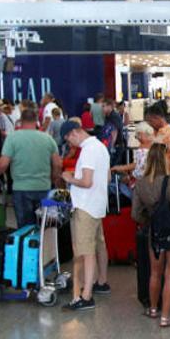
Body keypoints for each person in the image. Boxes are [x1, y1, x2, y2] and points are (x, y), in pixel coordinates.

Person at [131, 143, 170, 327]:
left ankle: (153, 309)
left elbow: (135, 214)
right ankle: (165, 318)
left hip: (154, 233)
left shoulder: (140, 184)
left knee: (155, 274)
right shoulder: (169, 181)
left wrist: (150, 220)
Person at [60, 120, 111, 312]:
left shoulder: (88, 150)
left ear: (74, 133)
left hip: (85, 207)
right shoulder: (101, 147)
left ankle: (86, 295)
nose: (69, 144)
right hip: (98, 205)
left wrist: (70, 178)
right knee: (99, 245)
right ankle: (102, 282)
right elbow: (104, 178)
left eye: (68, 139)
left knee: (85, 252)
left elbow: (87, 182)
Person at [0, 107, 61, 227]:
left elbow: (2, 165)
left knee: (24, 228)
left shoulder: (12, 138)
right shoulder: (48, 139)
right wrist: (53, 179)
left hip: (21, 189)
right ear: (36, 121)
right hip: (44, 187)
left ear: (21, 121)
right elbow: (58, 164)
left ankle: (28, 245)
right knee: (45, 227)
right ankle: (43, 245)